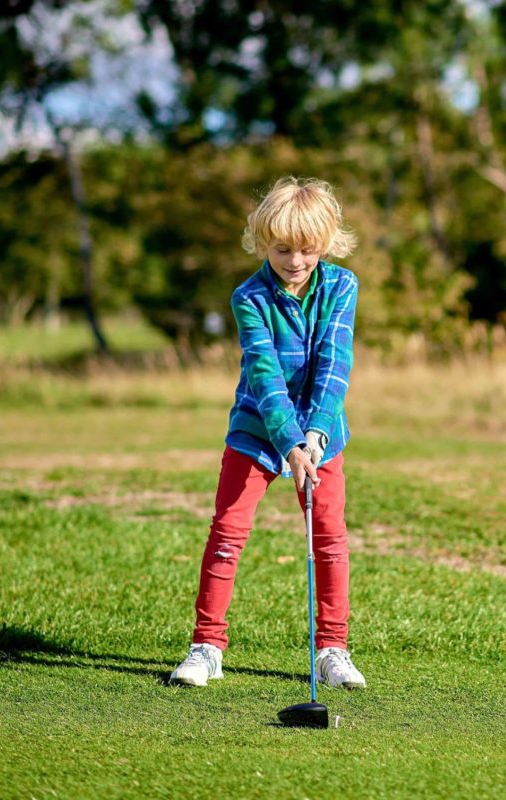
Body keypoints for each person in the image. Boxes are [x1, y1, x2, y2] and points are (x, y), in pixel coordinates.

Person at [169, 176, 365, 690]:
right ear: (263, 243)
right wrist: (289, 443)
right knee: (227, 533)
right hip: (259, 430)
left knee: (329, 540)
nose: (295, 261)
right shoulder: (249, 296)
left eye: (307, 250)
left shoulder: (342, 287)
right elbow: (264, 375)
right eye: (282, 249)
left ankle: (333, 649)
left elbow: (333, 364)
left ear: (325, 244)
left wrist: (316, 436)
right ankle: (206, 646)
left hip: (324, 435)